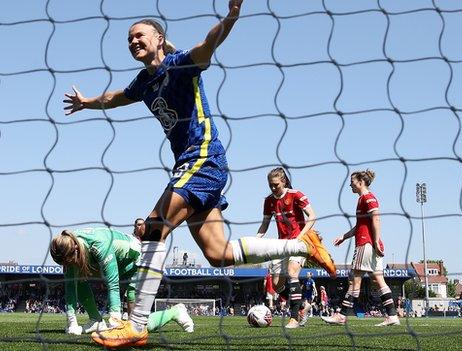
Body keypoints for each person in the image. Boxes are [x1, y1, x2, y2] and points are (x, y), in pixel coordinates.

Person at [63, 1, 336, 347]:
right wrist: (88, 102)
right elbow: (117, 97)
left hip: (203, 159)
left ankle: (136, 324)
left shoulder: (180, 64)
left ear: (160, 39)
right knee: (218, 255)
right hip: (190, 167)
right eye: (129, 39)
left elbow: (208, 46)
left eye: (139, 35)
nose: (132, 42)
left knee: (153, 227)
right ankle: (301, 245)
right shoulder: (144, 83)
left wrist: (231, 18)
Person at [49, 228, 194, 335]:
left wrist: (115, 320)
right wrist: (72, 322)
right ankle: (96, 321)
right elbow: (70, 287)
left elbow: (112, 284)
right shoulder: (69, 246)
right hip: (117, 262)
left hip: (135, 261)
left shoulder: (99, 245)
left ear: (76, 250)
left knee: (136, 326)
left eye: (68, 262)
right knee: (78, 279)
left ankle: (175, 312)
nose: (66, 267)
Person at [322, 169, 400, 327]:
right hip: (369, 244)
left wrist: (376, 241)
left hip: (365, 244)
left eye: (352, 181)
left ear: (360, 182)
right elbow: (360, 226)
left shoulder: (368, 198)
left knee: (354, 280)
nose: (350, 184)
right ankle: (392, 316)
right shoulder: (362, 200)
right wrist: (344, 236)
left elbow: (376, 218)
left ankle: (342, 315)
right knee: (379, 280)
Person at [256, 167, 319, 328]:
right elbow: (264, 224)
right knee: (277, 285)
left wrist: (300, 236)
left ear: (283, 181)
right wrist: (256, 239)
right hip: (281, 245)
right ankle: (302, 305)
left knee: (292, 273)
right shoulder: (269, 201)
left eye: (275, 184)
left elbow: (312, 216)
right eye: (270, 185)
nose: (273, 188)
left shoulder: (296, 195)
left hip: (299, 242)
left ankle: (294, 318)